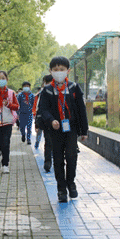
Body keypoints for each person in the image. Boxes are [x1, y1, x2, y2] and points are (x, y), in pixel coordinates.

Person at [38, 56, 88, 203]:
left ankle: (71, 183)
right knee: (58, 159)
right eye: (55, 70)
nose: (59, 72)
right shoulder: (47, 90)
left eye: (62, 69)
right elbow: (43, 109)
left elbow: (81, 109)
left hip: (71, 129)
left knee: (72, 157)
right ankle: (61, 189)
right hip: (55, 130)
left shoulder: (73, 88)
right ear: (51, 71)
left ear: (68, 71)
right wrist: (51, 120)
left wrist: (84, 130)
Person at [0, 70, 18, 174]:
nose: (1, 80)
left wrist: (9, 104)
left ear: (7, 80)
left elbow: (17, 107)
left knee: (5, 144)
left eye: (3, 78)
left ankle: (5, 164)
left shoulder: (11, 93)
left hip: (7, 123)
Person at [34, 75, 54, 172]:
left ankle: (52, 160)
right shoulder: (43, 93)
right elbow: (39, 108)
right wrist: (37, 124)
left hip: (60, 122)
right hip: (47, 122)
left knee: (53, 142)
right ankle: (48, 162)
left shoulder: (62, 89)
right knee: (49, 141)